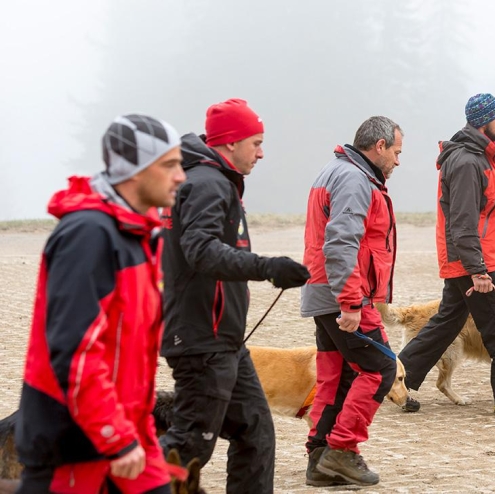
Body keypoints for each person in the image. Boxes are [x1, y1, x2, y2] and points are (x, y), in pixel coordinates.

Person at [15, 114, 186, 493]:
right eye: (169, 165)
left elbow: (132, 349)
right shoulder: (88, 234)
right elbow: (75, 350)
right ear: (134, 171)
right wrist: (113, 435)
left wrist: (135, 431)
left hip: (130, 435)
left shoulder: (139, 232)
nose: (180, 176)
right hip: (76, 442)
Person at [158, 98, 310, 493]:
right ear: (230, 142)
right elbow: (201, 250)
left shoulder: (209, 179)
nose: (261, 153)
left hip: (223, 339)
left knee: (255, 433)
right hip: (202, 340)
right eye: (255, 143)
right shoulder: (207, 183)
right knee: (189, 444)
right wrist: (267, 267)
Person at [398, 93, 495, 418]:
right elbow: (463, 222)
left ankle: (393, 379)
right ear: (484, 121)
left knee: (446, 324)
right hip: (473, 263)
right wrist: (478, 270)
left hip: (470, 260)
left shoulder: (477, 158)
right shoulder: (468, 162)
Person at [300, 116, 403, 487]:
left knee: (338, 376)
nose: (397, 161)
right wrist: (351, 302)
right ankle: (342, 450)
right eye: (396, 152)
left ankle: (320, 459)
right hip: (342, 293)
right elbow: (341, 241)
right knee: (381, 368)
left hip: (323, 290)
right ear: (379, 146)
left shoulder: (335, 171)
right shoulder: (354, 179)